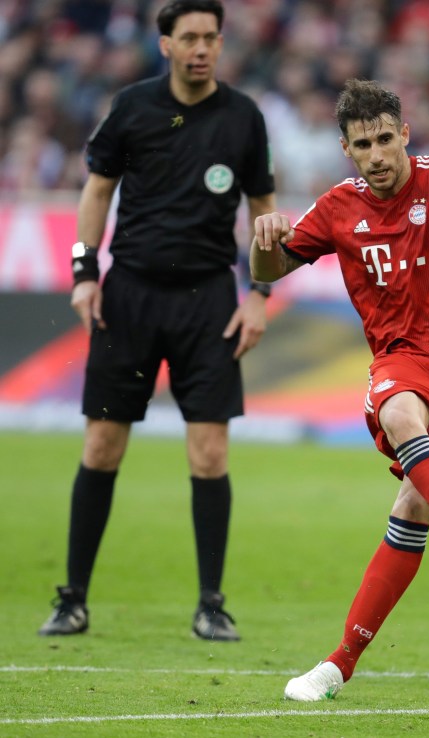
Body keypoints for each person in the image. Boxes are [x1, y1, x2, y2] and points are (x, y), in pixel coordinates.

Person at [251, 78, 429, 701]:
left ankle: (339, 664)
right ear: (347, 149)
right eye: (364, 145)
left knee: (414, 504)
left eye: (387, 138)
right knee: (402, 418)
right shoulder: (337, 206)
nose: (379, 154)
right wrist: (262, 239)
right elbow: (269, 272)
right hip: (403, 357)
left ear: (404, 134)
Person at [38, 0, 276, 642]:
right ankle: (73, 599)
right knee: (101, 446)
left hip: (208, 302)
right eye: (188, 37)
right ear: (165, 44)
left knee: (209, 453)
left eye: (211, 38)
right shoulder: (133, 107)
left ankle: (211, 604)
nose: (201, 48)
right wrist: (85, 274)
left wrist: (259, 292)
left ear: (221, 44)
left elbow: (263, 206)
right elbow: (96, 190)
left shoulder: (243, 117)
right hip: (131, 296)